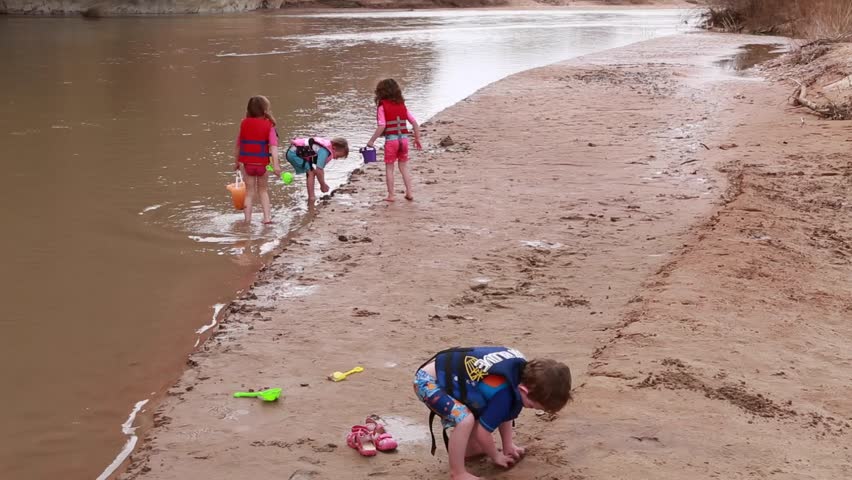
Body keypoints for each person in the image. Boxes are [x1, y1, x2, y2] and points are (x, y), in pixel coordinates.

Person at [414, 347, 572, 480]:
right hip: (427, 382)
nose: (532, 409)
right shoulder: (505, 392)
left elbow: (507, 413)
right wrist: (496, 456)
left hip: (448, 373)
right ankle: (458, 472)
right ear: (524, 390)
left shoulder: (520, 374)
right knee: (465, 419)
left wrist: (508, 445)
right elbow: (484, 433)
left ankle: (469, 451)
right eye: (532, 406)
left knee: (481, 413)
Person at [366, 78, 422, 202]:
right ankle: (409, 192)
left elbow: (382, 126)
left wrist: (371, 141)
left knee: (389, 168)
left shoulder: (382, 107)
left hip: (391, 141)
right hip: (404, 140)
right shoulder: (402, 105)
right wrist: (417, 138)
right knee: (403, 167)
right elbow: (414, 123)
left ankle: (391, 195)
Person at [234, 95, 281, 224]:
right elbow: (274, 147)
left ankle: (247, 221)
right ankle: (267, 219)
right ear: (265, 110)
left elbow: (238, 145)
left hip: (247, 163)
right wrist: (276, 166)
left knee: (249, 193)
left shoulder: (244, 123)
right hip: (262, 164)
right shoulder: (269, 126)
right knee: (263, 191)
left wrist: (236, 162)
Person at [285, 136, 349, 204]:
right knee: (311, 173)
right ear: (334, 148)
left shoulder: (327, 146)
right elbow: (319, 170)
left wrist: (322, 182)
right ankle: (311, 198)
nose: (336, 158)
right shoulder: (325, 151)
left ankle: (311, 197)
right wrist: (323, 185)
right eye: (338, 156)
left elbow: (320, 170)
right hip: (293, 154)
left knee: (312, 172)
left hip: (296, 152)